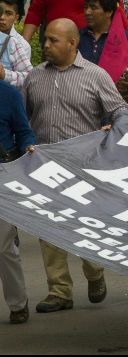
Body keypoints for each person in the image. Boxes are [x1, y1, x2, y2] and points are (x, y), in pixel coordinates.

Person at [24, 18, 128, 313]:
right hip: (45, 165)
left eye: (53, 40)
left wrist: (113, 130)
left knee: (84, 227)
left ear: (72, 43)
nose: (45, 45)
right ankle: (59, 291)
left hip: (84, 167)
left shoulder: (96, 76)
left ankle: (95, 272)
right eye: (45, 39)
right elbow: (26, 117)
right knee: (48, 227)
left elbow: (119, 110)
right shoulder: (34, 77)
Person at [0, 80, 34, 324]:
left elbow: (23, 131)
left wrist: (28, 147)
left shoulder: (8, 93)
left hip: (3, 173)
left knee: (3, 246)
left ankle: (18, 303)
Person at [77, 0, 124, 65]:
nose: (87, 12)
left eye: (93, 8)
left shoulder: (125, 40)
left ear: (109, 12)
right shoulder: (76, 37)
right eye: (86, 7)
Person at [0, 0, 32, 90]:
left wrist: (4, 74)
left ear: (16, 17)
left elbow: (28, 78)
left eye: (8, 13)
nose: (2, 17)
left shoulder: (21, 45)